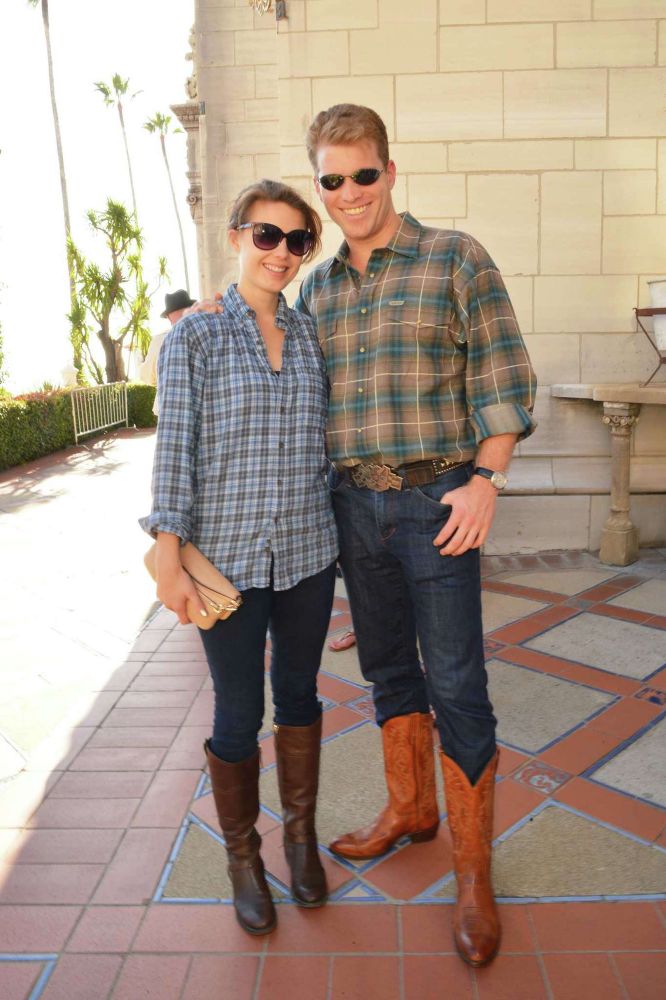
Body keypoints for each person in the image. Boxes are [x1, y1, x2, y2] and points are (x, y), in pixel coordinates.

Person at [293, 104, 537, 968]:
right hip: (352, 507)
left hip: (439, 501)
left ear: (390, 172)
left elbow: (505, 377)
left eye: (364, 174)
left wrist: (487, 480)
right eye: (332, 179)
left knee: (459, 682)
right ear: (320, 186)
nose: (350, 192)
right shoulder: (315, 290)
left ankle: (473, 870)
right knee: (388, 669)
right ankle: (412, 809)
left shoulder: (455, 258)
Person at [140, 180, 338, 936]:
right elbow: (176, 449)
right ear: (236, 237)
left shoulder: (313, 333)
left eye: (297, 241)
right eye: (267, 235)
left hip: (308, 552)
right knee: (237, 709)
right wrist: (166, 550)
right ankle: (244, 859)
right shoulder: (197, 334)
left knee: (299, 696)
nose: (281, 253)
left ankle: (299, 840)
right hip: (224, 557)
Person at [139, 289, 195, 413]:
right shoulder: (205, 332)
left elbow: (148, 377)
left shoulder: (159, 341)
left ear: (169, 317)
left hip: (169, 411)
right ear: (191, 309)